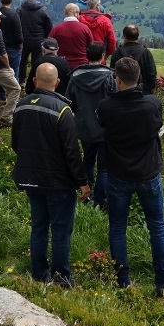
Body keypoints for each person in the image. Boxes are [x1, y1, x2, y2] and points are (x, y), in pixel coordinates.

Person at [97, 57, 164, 296]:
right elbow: (158, 127)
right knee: (157, 226)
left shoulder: (106, 107)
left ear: (117, 80)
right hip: (148, 173)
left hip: (118, 174)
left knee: (117, 227)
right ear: (138, 78)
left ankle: (123, 281)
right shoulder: (152, 104)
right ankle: (163, 282)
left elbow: (102, 124)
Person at [12, 61, 90, 286]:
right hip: (58, 182)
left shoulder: (21, 106)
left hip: (31, 178)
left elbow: (16, 144)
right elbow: (71, 153)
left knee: (38, 226)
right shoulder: (63, 110)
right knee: (61, 229)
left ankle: (38, 274)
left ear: (35, 81)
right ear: (57, 83)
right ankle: (61, 276)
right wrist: (82, 183)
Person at [66, 41, 116, 211]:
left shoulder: (75, 76)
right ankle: (101, 201)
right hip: (105, 128)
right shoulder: (110, 76)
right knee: (104, 167)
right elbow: (115, 101)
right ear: (103, 57)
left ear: (87, 56)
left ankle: (86, 193)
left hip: (84, 126)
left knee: (87, 159)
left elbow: (69, 102)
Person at [17, 0, 54, 84]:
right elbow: (49, 26)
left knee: (22, 62)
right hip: (38, 41)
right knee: (36, 63)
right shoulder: (43, 10)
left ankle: (22, 81)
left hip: (24, 40)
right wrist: (44, 37)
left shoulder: (20, 9)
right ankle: (34, 82)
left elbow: (17, 25)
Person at [110, 24, 157, 94]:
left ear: (124, 36)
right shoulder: (146, 53)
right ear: (137, 36)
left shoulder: (117, 53)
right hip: (143, 94)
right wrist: (152, 91)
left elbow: (112, 74)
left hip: (121, 95)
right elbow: (151, 74)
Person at [49, 3, 92, 69]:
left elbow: (49, 45)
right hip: (81, 64)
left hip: (61, 65)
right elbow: (91, 46)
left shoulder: (56, 29)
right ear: (76, 13)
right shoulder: (85, 29)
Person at [0, 0, 23, 81]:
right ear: (11, 1)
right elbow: (18, 34)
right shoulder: (14, 15)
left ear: (1, 0)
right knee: (13, 72)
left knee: (0, 72)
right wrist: (20, 46)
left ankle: (1, 94)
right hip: (12, 48)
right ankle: (13, 92)